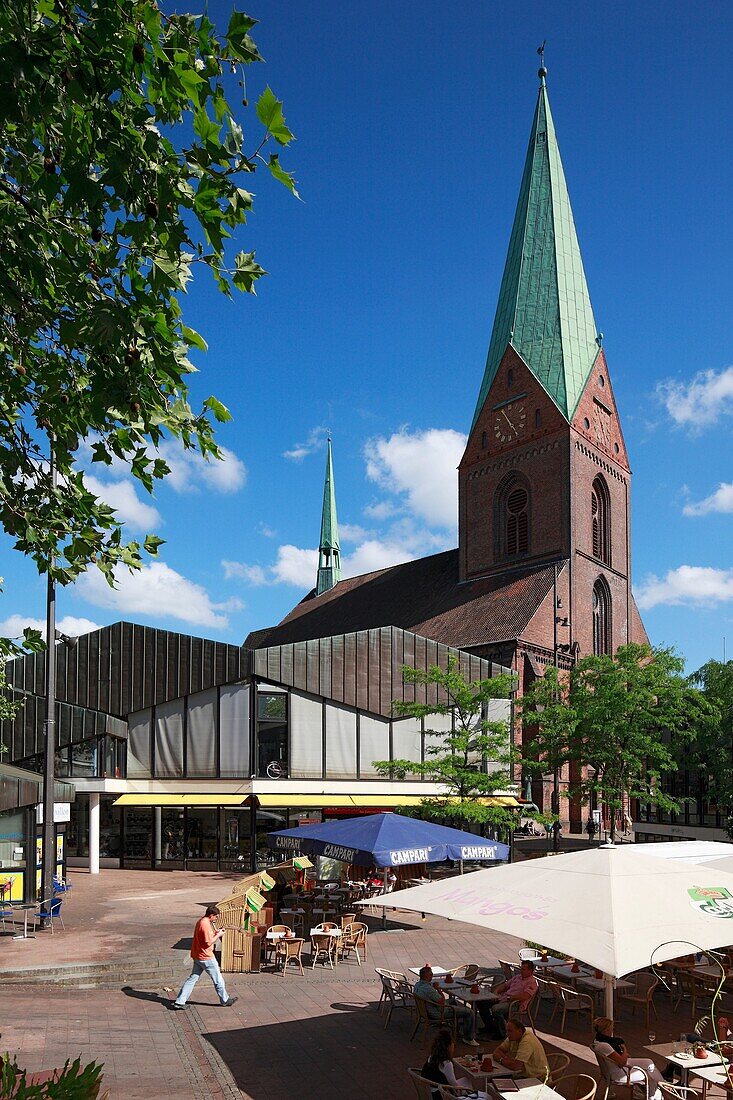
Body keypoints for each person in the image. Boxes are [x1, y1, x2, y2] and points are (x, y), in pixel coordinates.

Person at [173, 905, 238, 1010]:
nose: (216, 919)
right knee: (218, 979)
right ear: (211, 915)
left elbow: (205, 937)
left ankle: (180, 1002)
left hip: (197, 955)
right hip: (206, 957)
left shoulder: (201, 921)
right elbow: (208, 942)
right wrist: (219, 934)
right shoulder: (206, 925)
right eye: (216, 917)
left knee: (192, 978)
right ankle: (225, 1000)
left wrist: (215, 933)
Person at [593, 1017, 664, 1100]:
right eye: (611, 1029)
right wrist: (624, 1049)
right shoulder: (604, 1046)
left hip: (616, 1067)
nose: (612, 1030)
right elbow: (622, 1062)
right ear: (606, 1031)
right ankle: (658, 1094)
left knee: (649, 1062)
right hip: (620, 1073)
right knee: (649, 1075)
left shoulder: (599, 1040)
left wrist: (623, 1054)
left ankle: (663, 1087)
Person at [413, 966, 479, 1046]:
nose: (432, 976)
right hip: (438, 1013)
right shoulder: (428, 989)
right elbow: (442, 1001)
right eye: (431, 974)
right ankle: (468, 1038)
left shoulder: (417, 985)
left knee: (453, 1001)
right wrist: (438, 989)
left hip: (426, 1011)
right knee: (470, 1012)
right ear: (427, 976)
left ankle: (456, 1028)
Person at [480, 960, 538, 1038]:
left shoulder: (532, 982)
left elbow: (525, 996)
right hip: (504, 998)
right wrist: (496, 991)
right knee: (482, 1002)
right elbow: (505, 985)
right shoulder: (517, 977)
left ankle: (501, 1032)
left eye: (524, 969)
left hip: (515, 1003)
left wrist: (510, 998)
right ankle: (490, 1026)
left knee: (496, 1009)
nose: (521, 971)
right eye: (521, 969)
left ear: (530, 971)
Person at [421, 1028, 472, 1097]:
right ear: (448, 1046)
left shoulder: (431, 1057)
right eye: (452, 1043)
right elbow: (454, 1086)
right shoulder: (447, 1064)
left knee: (467, 1080)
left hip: (434, 1091)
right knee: (485, 1096)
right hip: (444, 1095)